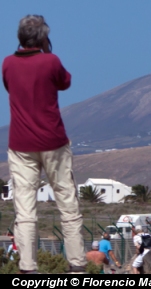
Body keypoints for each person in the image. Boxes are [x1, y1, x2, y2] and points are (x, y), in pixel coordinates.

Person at [2, 15, 86, 273]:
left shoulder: (7, 64)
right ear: (43, 38)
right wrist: (49, 52)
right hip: (53, 142)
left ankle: (28, 267)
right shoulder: (51, 61)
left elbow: (9, 87)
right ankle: (77, 264)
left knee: (25, 208)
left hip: (21, 144)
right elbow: (65, 82)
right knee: (67, 202)